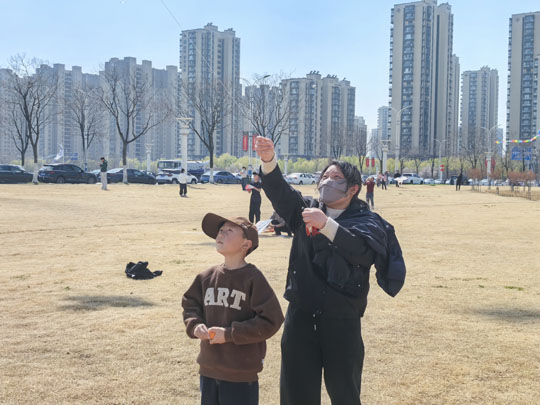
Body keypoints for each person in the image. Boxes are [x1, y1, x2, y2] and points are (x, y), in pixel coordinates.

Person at [255, 135, 406, 405]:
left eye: (335, 178)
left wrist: (326, 225)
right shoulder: (305, 211)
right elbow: (280, 192)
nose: (327, 182)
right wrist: (268, 161)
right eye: (324, 176)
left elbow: (361, 251)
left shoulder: (367, 221)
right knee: (296, 391)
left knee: (344, 391)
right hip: (301, 316)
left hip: (342, 320)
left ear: (353, 189)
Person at [182, 213, 284, 405]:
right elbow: (190, 304)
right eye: (220, 230)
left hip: (240, 372)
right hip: (209, 367)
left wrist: (229, 334)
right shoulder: (206, 277)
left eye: (229, 230)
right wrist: (195, 325)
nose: (221, 234)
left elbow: (271, 320)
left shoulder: (253, 279)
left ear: (246, 244)